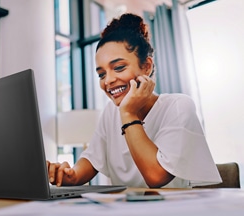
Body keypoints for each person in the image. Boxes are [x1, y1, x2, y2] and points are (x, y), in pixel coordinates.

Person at [47, 13, 221, 188]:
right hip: (126, 213)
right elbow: (90, 160)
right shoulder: (110, 112)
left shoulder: (178, 106)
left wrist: (128, 113)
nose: (107, 81)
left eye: (119, 67)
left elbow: (156, 176)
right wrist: (69, 175)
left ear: (146, 66)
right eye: (101, 74)